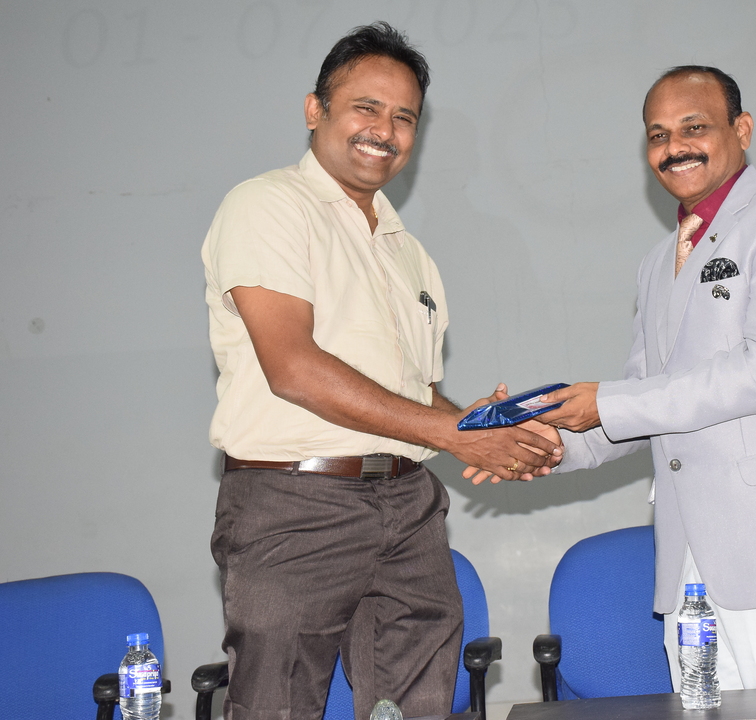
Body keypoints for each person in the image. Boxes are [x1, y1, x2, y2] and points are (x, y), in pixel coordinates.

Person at [201, 22, 560, 720]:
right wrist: (451, 432)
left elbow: (414, 393)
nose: (384, 131)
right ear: (316, 110)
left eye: (404, 117)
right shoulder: (267, 205)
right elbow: (293, 368)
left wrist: (487, 430)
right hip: (294, 505)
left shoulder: (408, 252)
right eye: (365, 107)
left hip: (408, 504)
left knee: (418, 705)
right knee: (278, 706)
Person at [535, 66, 756, 690]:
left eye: (694, 127)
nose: (675, 147)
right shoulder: (656, 262)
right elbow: (644, 397)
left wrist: (606, 402)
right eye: (658, 135)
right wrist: (545, 445)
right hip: (687, 562)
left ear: (741, 129)